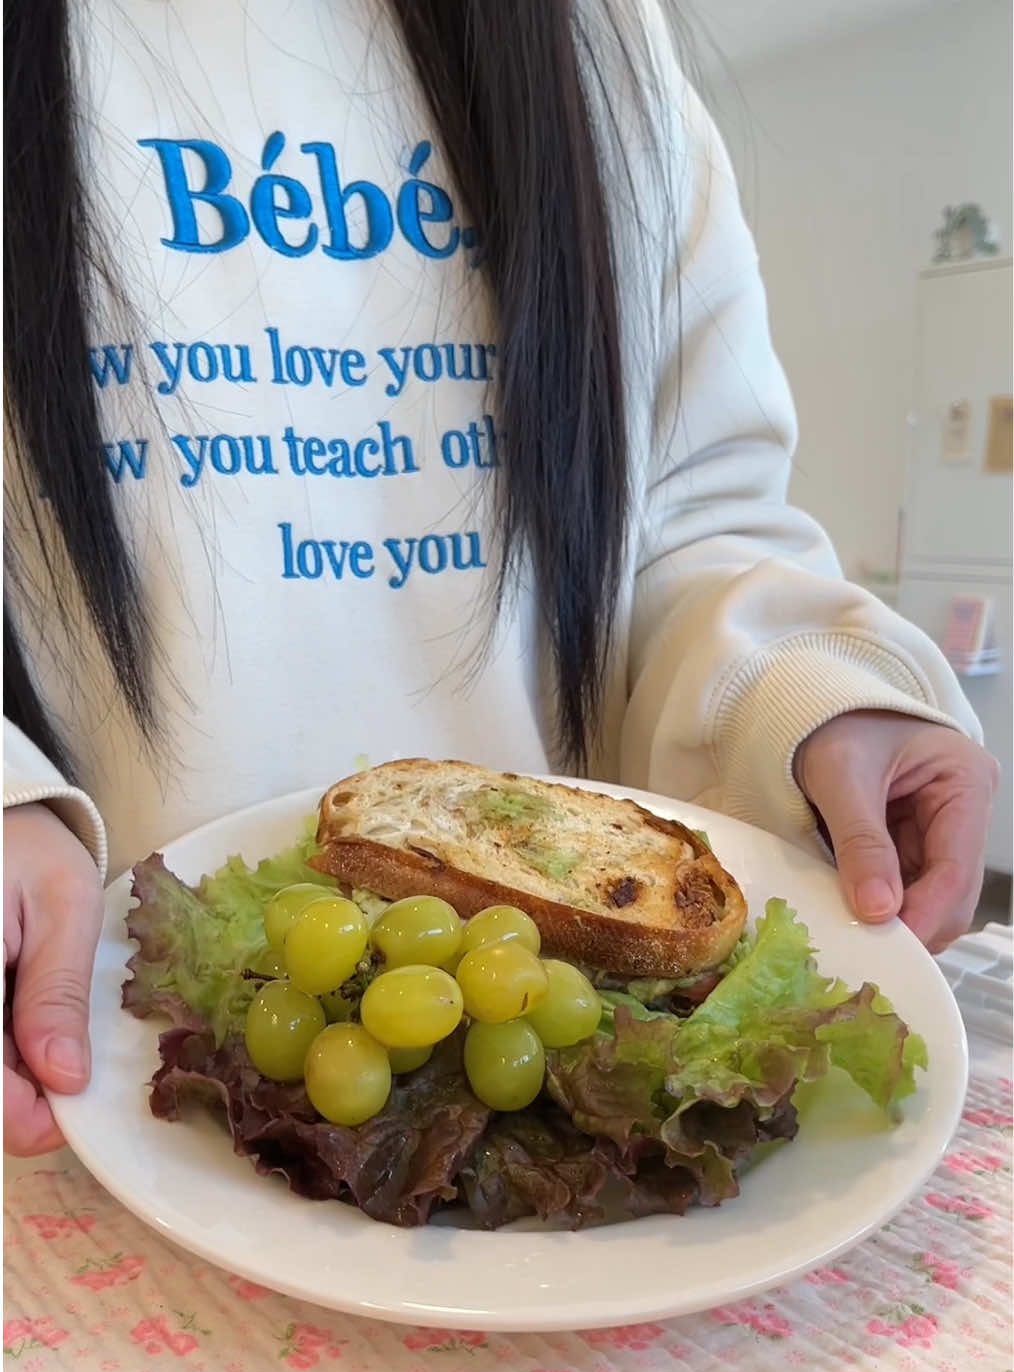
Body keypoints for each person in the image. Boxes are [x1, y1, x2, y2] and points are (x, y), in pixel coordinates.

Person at [3, 0, 997, 1158]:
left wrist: (808, 694)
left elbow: (691, 511)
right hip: (72, 1098)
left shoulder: (601, 39)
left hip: (551, 1153)